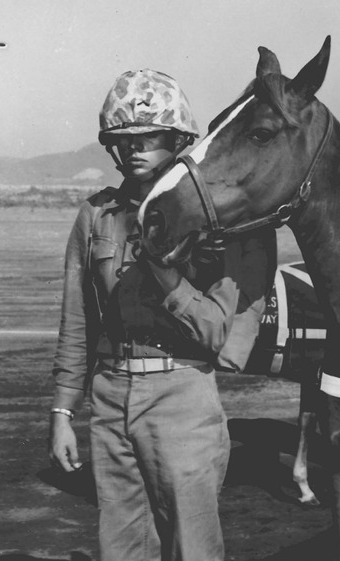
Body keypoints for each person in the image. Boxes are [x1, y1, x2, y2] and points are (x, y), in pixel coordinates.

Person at [47, 69, 275, 561]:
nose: (135, 149)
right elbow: (78, 322)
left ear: (177, 141)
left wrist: (162, 270)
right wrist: (63, 413)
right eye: (124, 139)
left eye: (149, 137)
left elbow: (217, 331)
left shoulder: (216, 222)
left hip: (182, 395)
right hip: (109, 399)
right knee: (122, 548)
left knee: (192, 548)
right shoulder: (97, 217)